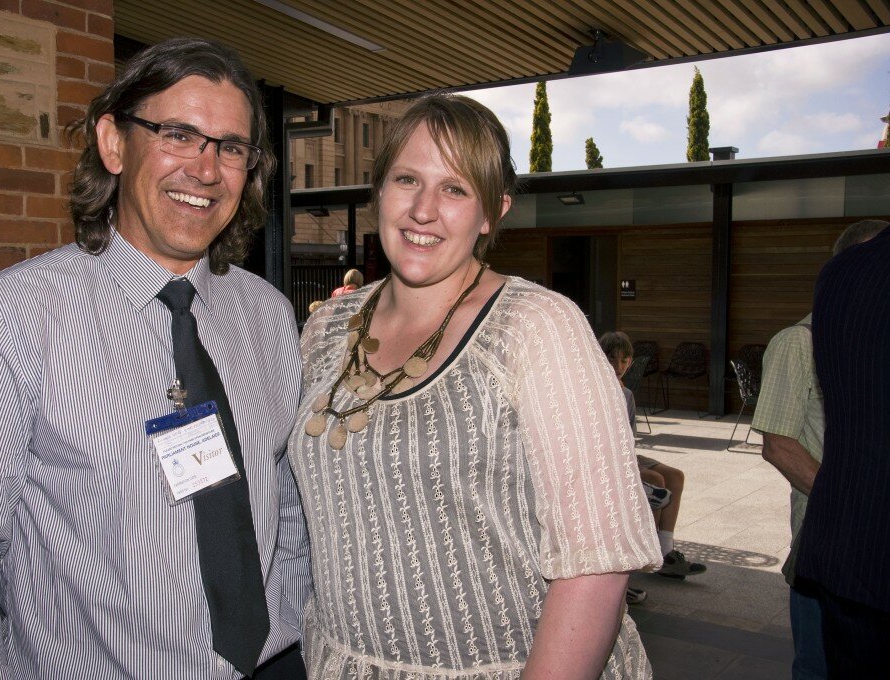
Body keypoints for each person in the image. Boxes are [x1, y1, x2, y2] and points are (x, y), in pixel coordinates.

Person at [0, 38, 310, 679]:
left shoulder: (267, 315)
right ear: (113, 143)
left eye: (230, 147)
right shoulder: (7, 321)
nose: (205, 170)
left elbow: (287, 502)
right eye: (178, 134)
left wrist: (293, 614)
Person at [288, 94, 661, 679]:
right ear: (379, 190)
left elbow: (598, 567)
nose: (423, 209)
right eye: (406, 179)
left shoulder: (536, 327)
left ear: (493, 212)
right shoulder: (326, 329)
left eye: (455, 189)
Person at [753, 219, 887, 680]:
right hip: (825, 538)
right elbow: (777, 444)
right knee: (818, 666)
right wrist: (847, 505)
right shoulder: (799, 341)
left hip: (869, 547)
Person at [599, 332, 706, 582]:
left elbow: (629, 436)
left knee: (675, 477)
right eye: (612, 359)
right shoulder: (594, 389)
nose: (618, 367)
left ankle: (666, 551)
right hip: (605, 457)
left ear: (631, 362)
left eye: (624, 361)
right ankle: (649, 554)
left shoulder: (626, 395)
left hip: (625, 452)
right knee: (655, 480)